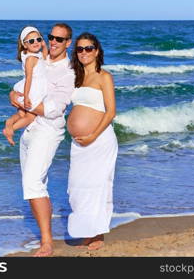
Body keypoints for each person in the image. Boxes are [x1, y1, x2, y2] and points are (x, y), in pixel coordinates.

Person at [9, 23, 75, 257]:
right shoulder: (40, 59)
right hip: (29, 130)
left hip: (47, 130)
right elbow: (24, 83)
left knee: (32, 183)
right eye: (51, 37)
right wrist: (13, 94)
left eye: (60, 39)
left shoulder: (68, 71)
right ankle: (44, 235)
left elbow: (54, 109)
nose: (54, 42)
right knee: (34, 184)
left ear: (68, 43)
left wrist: (22, 103)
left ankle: (47, 242)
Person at [67, 33, 118, 250]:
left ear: (97, 51)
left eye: (89, 48)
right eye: (80, 49)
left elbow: (111, 112)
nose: (84, 52)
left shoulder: (103, 76)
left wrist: (92, 136)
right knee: (77, 187)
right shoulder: (76, 77)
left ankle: (97, 234)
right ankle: (86, 231)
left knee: (98, 186)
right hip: (79, 144)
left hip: (99, 140)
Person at [3, 26, 48, 146]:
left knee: (21, 114)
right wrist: (27, 96)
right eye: (31, 41)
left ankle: (9, 122)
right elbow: (29, 78)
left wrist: (43, 44)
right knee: (30, 117)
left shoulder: (33, 54)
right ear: (24, 44)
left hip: (34, 87)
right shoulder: (31, 59)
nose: (36, 43)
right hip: (32, 89)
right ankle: (10, 130)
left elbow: (45, 54)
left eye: (38, 39)